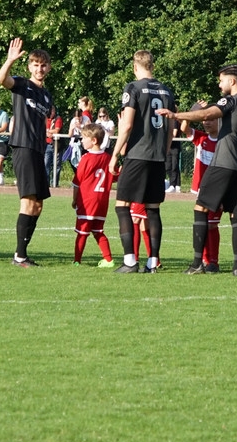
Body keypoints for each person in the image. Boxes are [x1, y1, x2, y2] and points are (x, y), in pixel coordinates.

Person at [158, 65, 237, 276]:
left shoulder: (231, 101)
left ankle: (197, 263)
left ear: (232, 81)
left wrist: (176, 115)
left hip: (223, 163)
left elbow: (206, 113)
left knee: (200, 208)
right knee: (236, 216)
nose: (219, 85)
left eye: (221, 80)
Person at [109, 50, 176, 274]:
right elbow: (170, 129)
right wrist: (163, 151)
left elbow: (127, 125)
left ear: (135, 67)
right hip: (157, 156)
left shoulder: (133, 88)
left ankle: (130, 261)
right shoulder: (167, 91)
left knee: (122, 205)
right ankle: (152, 263)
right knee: (153, 209)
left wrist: (115, 155)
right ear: (152, 66)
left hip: (137, 154)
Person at [0, 38, 55, 267]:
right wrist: (10, 60)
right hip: (23, 147)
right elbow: (2, 79)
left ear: (49, 68)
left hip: (38, 150)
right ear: (29, 66)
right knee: (28, 201)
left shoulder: (47, 95)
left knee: (38, 204)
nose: (39, 69)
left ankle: (22, 253)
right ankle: (19, 256)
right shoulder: (23, 84)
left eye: (43, 65)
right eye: (35, 65)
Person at [181, 105, 221, 271]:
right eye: (204, 119)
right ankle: (204, 259)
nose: (206, 122)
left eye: (211, 119)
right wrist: (192, 112)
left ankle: (213, 261)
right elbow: (184, 128)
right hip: (201, 188)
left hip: (217, 189)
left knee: (212, 224)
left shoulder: (223, 141)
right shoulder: (201, 138)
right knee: (203, 223)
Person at [71, 123, 115, 267]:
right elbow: (114, 175)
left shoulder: (86, 158)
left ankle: (77, 261)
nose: (82, 140)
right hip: (102, 201)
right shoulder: (108, 158)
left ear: (94, 140)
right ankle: (108, 259)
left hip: (87, 200)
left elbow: (77, 182)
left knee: (82, 232)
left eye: (84, 138)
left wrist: (74, 200)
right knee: (98, 231)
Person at [43, 104, 63, 187]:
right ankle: (46, 183)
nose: (52, 112)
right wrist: (47, 132)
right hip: (47, 145)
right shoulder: (45, 119)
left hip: (56, 145)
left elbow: (57, 130)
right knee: (46, 164)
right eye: (50, 111)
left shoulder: (58, 119)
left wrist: (48, 131)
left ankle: (55, 183)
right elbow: (42, 129)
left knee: (57, 165)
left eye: (53, 111)